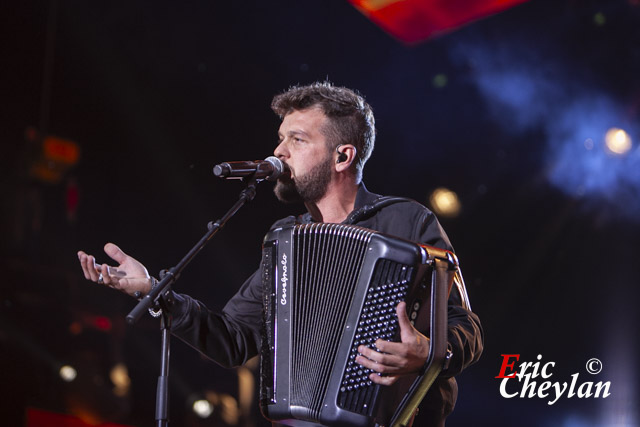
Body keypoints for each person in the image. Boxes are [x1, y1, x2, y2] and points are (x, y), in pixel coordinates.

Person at [78, 82, 483, 426]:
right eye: (281, 137)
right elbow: (233, 340)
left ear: (343, 156)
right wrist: (154, 292)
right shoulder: (286, 239)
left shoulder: (407, 221)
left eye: (297, 139)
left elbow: (466, 327)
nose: (279, 151)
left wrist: (431, 352)